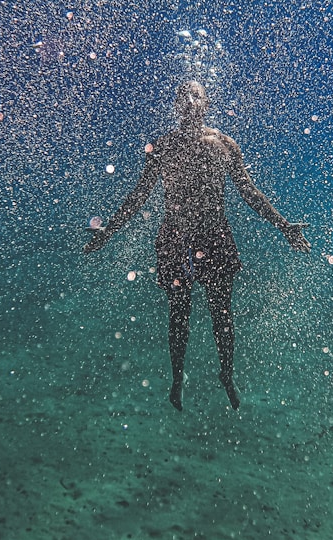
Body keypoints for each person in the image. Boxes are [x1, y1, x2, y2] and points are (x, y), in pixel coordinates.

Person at [84, 81, 309, 411]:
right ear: (176, 105)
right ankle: (177, 380)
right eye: (184, 95)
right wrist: (109, 230)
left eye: (197, 94)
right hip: (175, 239)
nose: (190, 100)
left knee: (222, 314)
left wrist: (283, 225)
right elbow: (138, 196)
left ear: (207, 102)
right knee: (179, 314)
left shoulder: (224, 145)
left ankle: (227, 375)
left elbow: (250, 192)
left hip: (216, 237)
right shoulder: (163, 146)